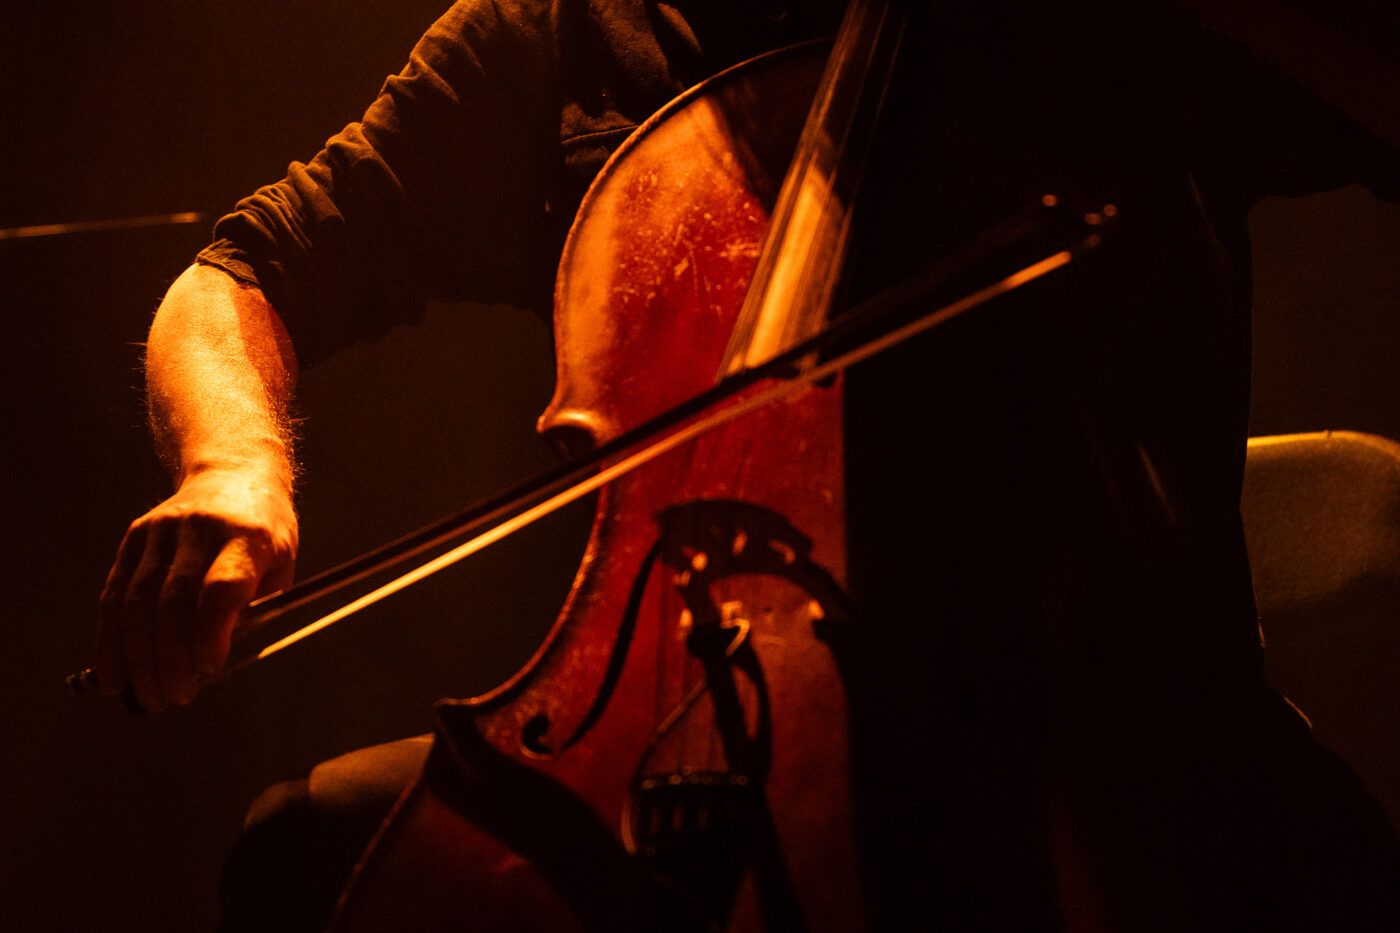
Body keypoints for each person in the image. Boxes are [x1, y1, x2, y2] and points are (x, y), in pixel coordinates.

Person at [95, 0, 1400, 929]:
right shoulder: (563, 32)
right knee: (301, 849)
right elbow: (243, 271)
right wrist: (232, 471)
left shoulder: (1081, 34)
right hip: (693, 735)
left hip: (1107, 736)